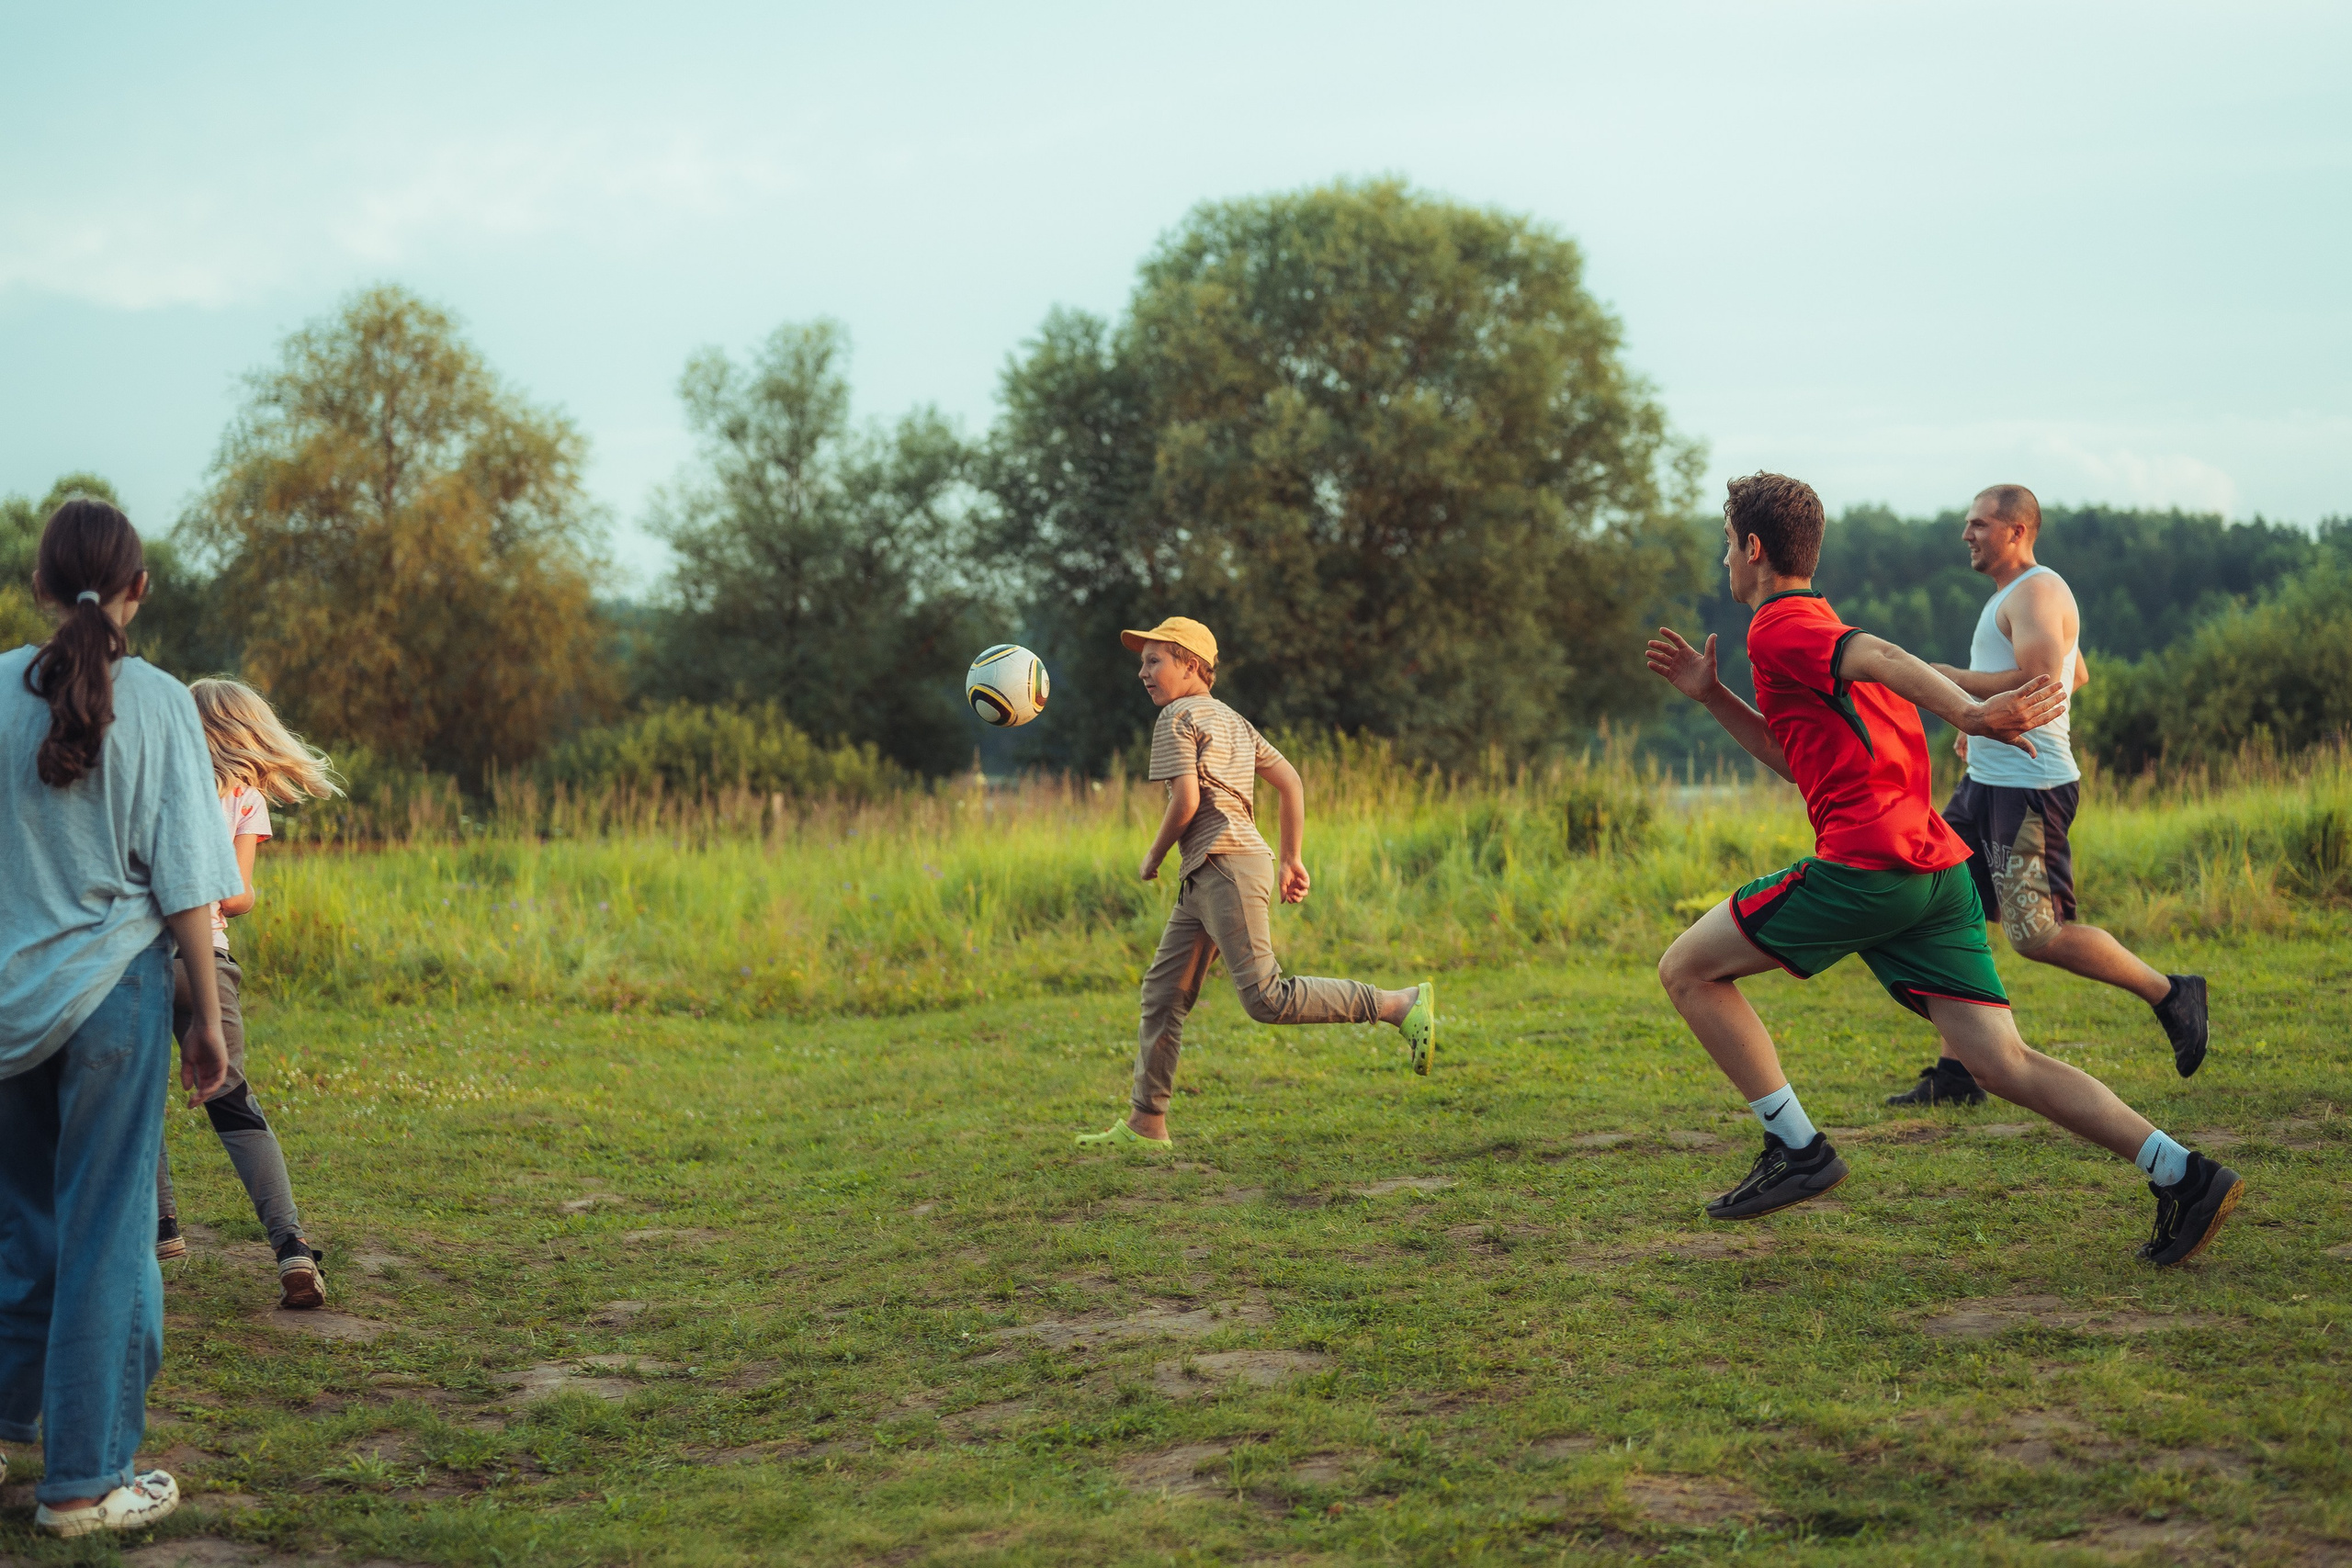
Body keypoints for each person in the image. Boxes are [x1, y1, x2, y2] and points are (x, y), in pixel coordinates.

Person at [1645, 474, 2241, 1266]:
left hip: (1868, 868)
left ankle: (1797, 1147)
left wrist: (1972, 712)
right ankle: (2182, 1171)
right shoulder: (1813, 631)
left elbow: (1882, 655)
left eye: (1727, 543)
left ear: (1753, 549)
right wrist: (1712, 696)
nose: (1725, 558)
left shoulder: (1781, 625)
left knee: (1686, 969)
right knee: (2000, 1062)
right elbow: (1795, 761)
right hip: (1935, 872)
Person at [0, 499, 243, 1538]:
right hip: (115, 998)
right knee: (108, 1236)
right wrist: (206, 1015)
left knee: (21, 1226)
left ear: (41, 588)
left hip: (4, 1007)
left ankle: (9, 1430)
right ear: (138, 590)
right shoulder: (157, 705)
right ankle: (85, 1484)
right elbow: (191, 877)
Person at [1886, 483, 2207, 1108]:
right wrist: (1985, 727)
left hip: (2028, 789)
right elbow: (2072, 673)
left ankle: (2171, 992)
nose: (1966, 533)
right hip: (1989, 781)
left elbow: (2040, 673)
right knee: (1949, 908)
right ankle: (1957, 1073)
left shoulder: (2036, 589)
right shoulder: (2020, 594)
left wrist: (1951, 684)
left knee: (2037, 934)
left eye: (1978, 523)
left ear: (2017, 530)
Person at [1075, 617, 1435, 1150]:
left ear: (1190, 666)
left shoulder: (1176, 717)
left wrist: (1153, 856)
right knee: (1163, 992)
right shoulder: (1234, 722)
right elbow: (1290, 780)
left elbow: (1187, 803)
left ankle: (1398, 1005)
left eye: (1154, 661)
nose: (1142, 673)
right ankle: (1146, 1125)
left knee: (1267, 997)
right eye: (1142, 662)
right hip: (1215, 870)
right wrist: (1290, 858)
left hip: (1226, 864)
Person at [153, 678, 338, 1309]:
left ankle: (162, 1227)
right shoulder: (246, 795)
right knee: (233, 1103)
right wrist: (213, 888)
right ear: (249, 729)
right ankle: (291, 1246)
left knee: (135, 1092)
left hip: (142, 955)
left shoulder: (158, 779)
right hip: (209, 957)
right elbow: (238, 895)